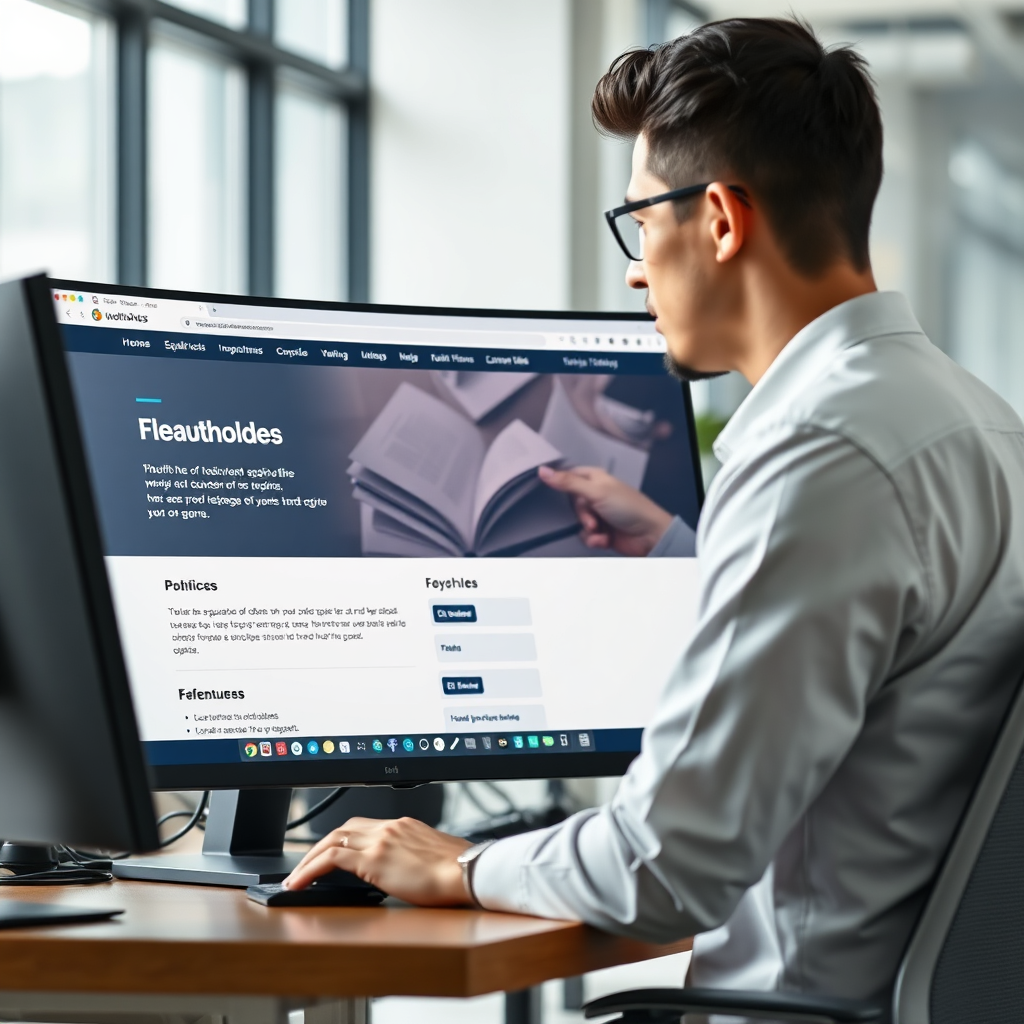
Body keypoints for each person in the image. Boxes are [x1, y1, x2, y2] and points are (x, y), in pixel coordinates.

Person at [284, 18, 1024, 1006]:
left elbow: (667, 866)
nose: (636, 267)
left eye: (641, 221)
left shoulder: (818, 450)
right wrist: (674, 539)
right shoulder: (969, 418)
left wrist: (455, 865)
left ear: (718, 220)